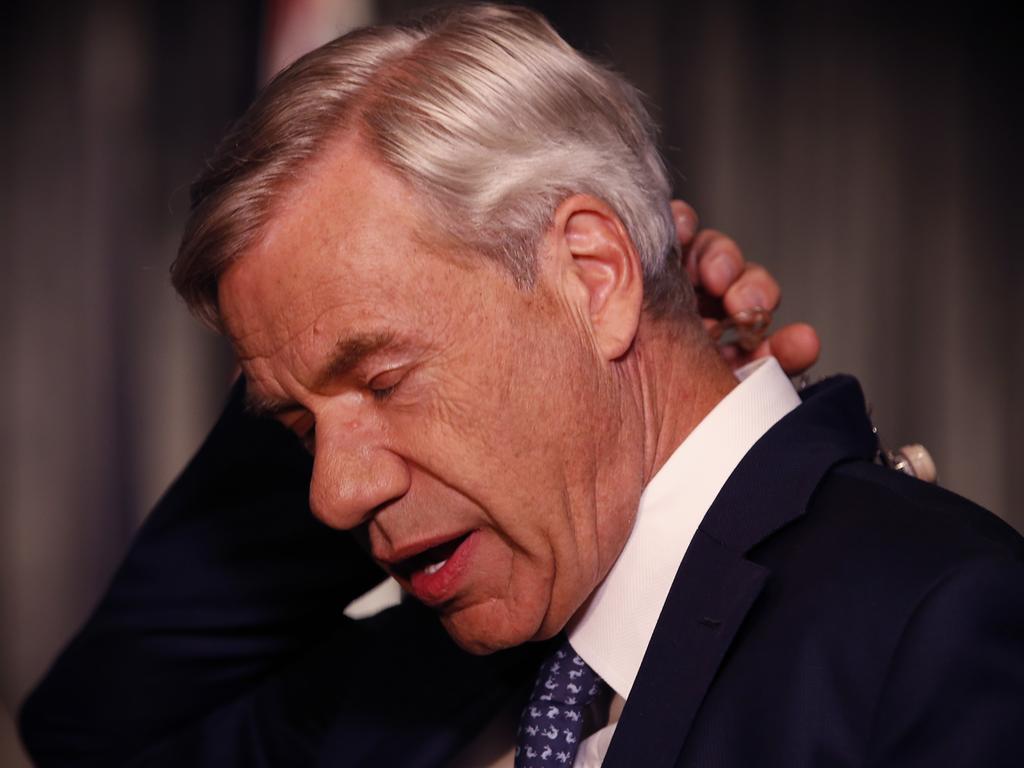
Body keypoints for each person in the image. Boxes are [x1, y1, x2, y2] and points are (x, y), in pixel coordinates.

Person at [20, 5, 1022, 767]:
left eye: (381, 374)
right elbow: (99, 737)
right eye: (297, 427)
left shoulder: (937, 619)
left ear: (592, 276)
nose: (331, 496)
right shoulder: (465, 643)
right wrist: (305, 365)